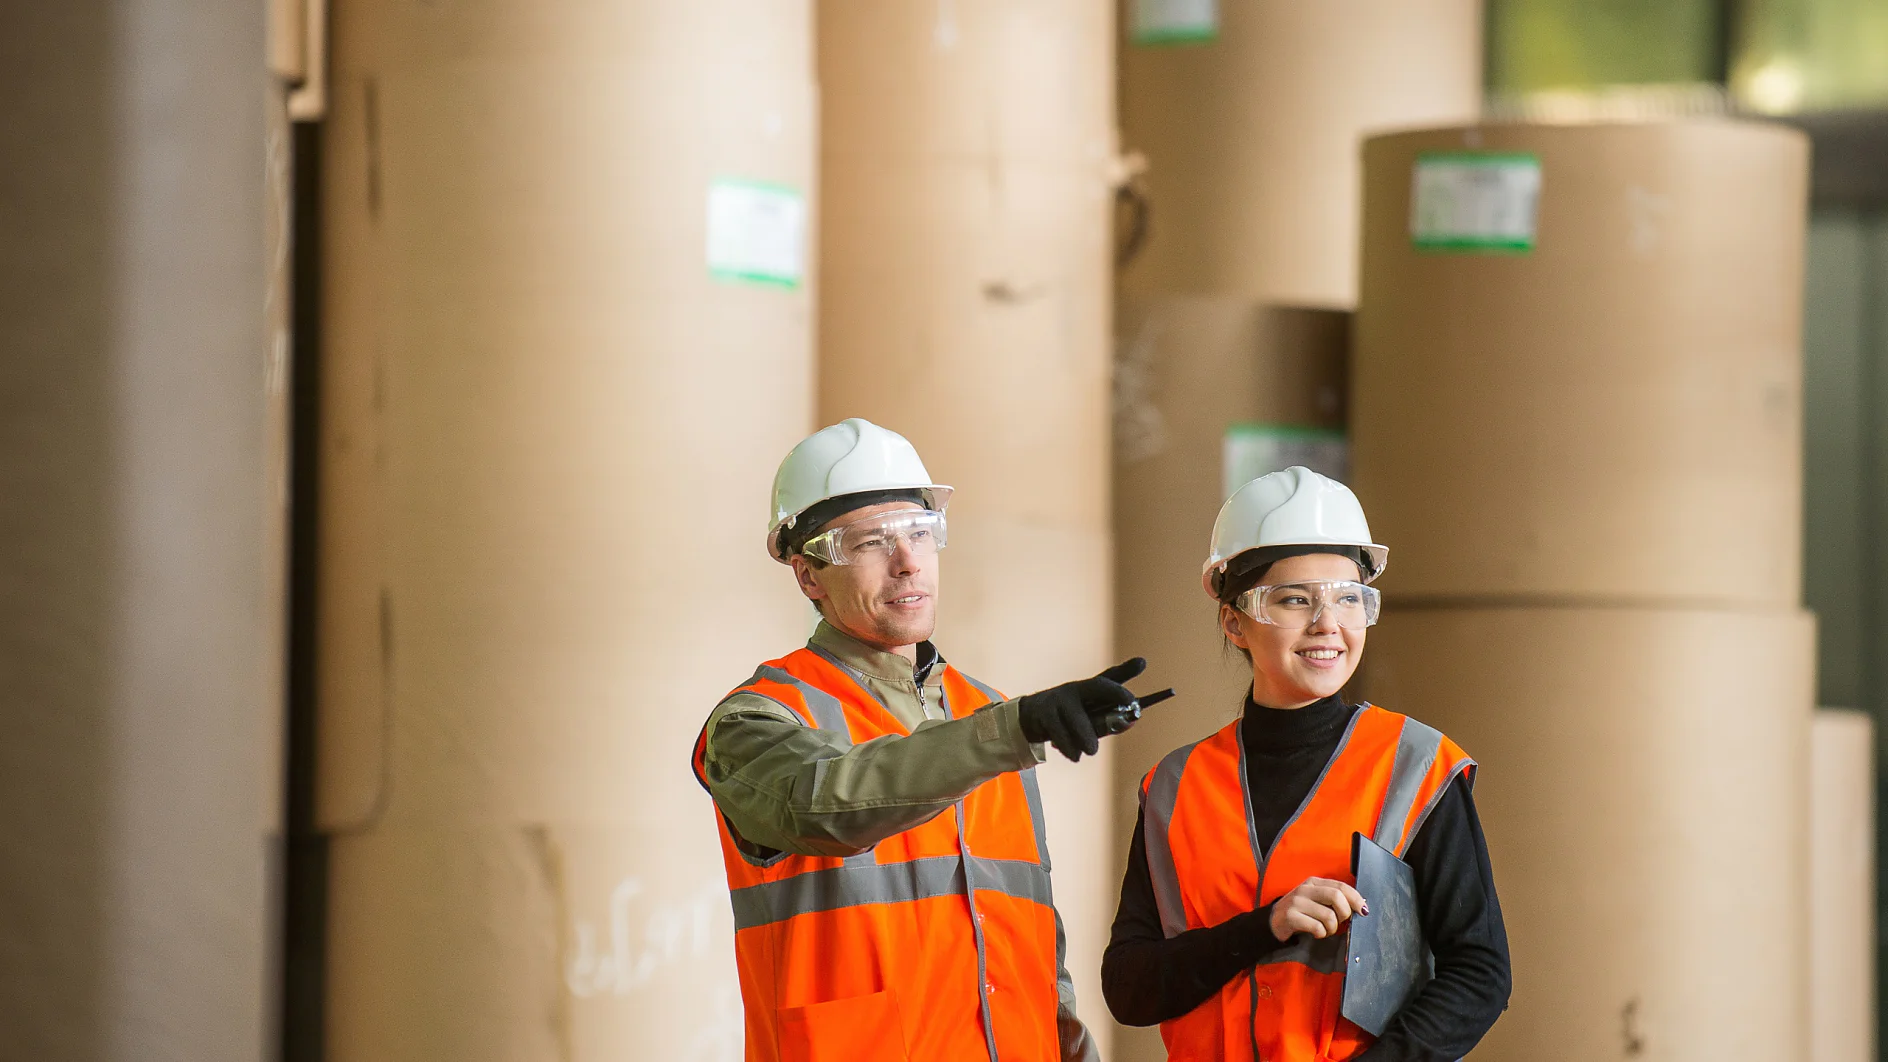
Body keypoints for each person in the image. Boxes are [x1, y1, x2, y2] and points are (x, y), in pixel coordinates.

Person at [694, 417, 1158, 1062]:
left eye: (920, 532)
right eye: (870, 542)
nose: (908, 561)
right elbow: (823, 806)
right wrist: (1014, 730)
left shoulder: (988, 712)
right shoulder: (757, 721)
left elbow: (1029, 941)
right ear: (807, 576)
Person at [1101, 467, 1510, 1062]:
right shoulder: (1174, 786)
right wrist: (1263, 926)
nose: (1328, 624)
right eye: (1295, 599)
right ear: (1233, 621)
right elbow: (1131, 989)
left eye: (1349, 598)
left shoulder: (1418, 767)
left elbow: (1479, 974)